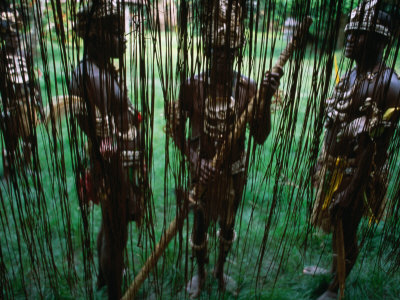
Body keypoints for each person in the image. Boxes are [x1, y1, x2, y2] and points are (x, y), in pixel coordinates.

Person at [170, 0, 282, 297]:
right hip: (203, 171)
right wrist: (195, 159)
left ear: (237, 53)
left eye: (228, 52)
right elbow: (175, 130)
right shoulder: (192, 86)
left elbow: (260, 136)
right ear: (207, 50)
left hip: (234, 171)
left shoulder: (248, 88)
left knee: (228, 225)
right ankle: (200, 273)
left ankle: (219, 270)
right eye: (216, 51)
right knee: (199, 224)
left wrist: (266, 100)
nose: (222, 57)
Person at [310, 1, 400, 299]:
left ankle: (337, 287)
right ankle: (337, 270)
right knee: (336, 224)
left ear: (380, 39)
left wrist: (351, 190)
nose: (349, 36)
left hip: (355, 174)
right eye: (350, 31)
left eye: (359, 32)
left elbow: (377, 148)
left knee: (347, 227)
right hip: (333, 166)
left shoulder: (390, 84)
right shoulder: (350, 76)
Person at [69, 1, 146, 298]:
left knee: (110, 224)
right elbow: (104, 138)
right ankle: (115, 292)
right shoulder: (91, 75)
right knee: (117, 235)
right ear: (96, 34)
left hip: (119, 164)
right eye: (116, 30)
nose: (123, 37)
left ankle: (103, 278)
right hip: (113, 169)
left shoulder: (100, 70)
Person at [0, 3, 43, 178]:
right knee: (11, 141)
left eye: (17, 36)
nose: (15, 40)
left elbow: (33, 80)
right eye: (11, 36)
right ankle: (9, 172)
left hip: (27, 100)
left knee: (29, 138)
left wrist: (38, 102)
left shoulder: (26, 54)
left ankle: (26, 166)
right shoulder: (2, 57)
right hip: (12, 103)